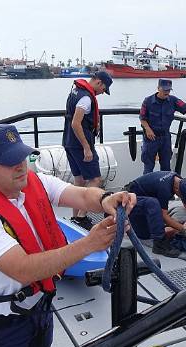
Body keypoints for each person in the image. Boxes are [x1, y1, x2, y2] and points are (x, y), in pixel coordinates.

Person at [0, 124, 136, 347]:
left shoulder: (33, 182)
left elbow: (83, 195)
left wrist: (108, 199)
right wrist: (90, 244)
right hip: (1, 329)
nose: (20, 166)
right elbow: (24, 269)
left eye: (21, 157)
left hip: (40, 310)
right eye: (8, 162)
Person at [62, 70, 113, 230]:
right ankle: (82, 217)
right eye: (103, 89)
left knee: (79, 180)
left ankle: (75, 217)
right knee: (96, 179)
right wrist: (86, 148)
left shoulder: (76, 91)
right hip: (79, 144)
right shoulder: (85, 97)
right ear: (99, 83)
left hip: (69, 141)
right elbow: (76, 123)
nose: (101, 93)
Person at [139, 79, 186, 174]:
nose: (166, 92)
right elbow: (142, 117)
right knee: (148, 166)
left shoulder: (173, 100)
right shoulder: (147, 101)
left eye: (168, 90)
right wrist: (148, 129)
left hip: (165, 138)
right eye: (164, 90)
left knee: (166, 166)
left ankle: (164, 187)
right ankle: (146, 187)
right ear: (158, 88)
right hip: (150, 137)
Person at [124, 171, 186, 256]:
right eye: (182, 196)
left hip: (144, 198)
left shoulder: (179, 180)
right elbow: (164, 216)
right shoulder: (164, 189)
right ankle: (159, 244)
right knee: (145, 234)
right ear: (177, 189)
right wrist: (183, 229)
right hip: (129, 204)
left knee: (154, 207)